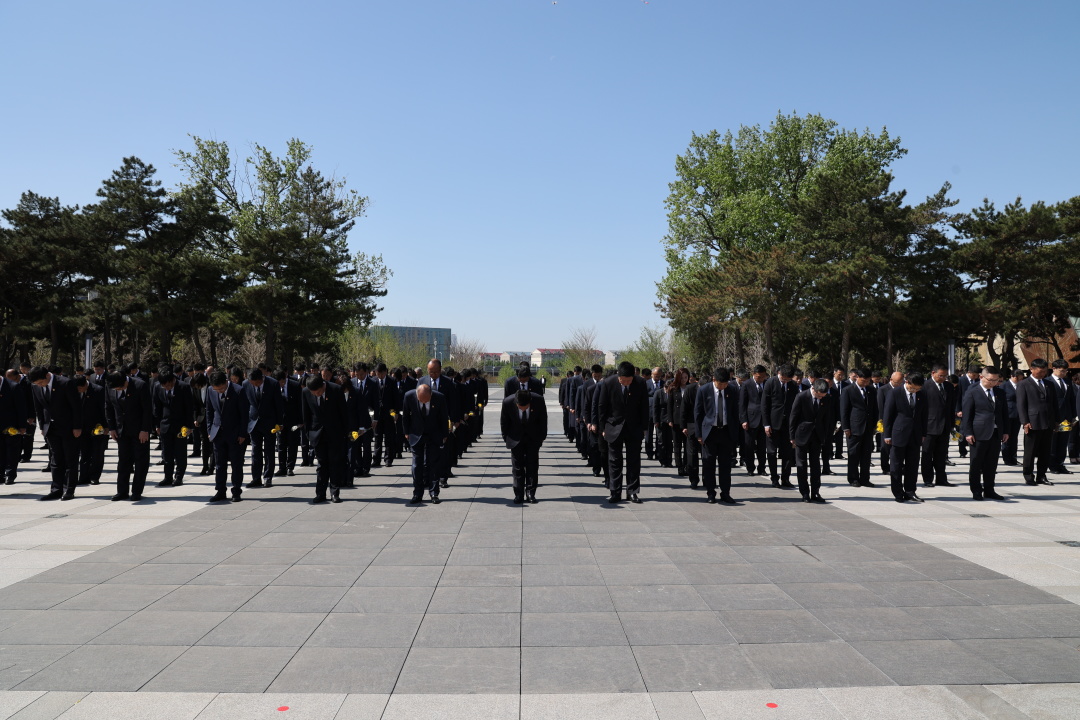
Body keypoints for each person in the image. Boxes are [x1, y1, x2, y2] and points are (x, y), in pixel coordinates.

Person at [596, 361, 650, 503]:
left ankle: (632, 491)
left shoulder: (640, 383)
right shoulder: (608, 383)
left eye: (629, 380)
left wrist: (645, 428)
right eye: (623, 380)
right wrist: (602, 428)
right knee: (614, 461)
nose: (626, 383)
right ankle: (615, 492)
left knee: (634, 461)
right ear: (618, 376)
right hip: (613, 427)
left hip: (635, 428)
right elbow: (602, 407)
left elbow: (645, 407)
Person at [104, 370, 154, 502]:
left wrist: (145, 429)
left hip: (139, 431)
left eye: (120, 388)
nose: (118, 390)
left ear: (125, 381)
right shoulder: (110, 386)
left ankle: (137, 491)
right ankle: (122, 491)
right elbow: (108, 407)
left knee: (140, 462)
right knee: (123, 462)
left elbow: (147, 409)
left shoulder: (140, 385)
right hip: (121, 430)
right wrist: (112, 428)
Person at [961, 366, 1008, 500]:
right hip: (978, 433)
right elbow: (967, 415)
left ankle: (989, 489)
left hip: (995, 432)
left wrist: (1006, 431)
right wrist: (968, 432)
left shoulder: (1000, 392)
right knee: (976, 463)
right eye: (990, 380)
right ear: (981, 377)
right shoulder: (972, 392)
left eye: (996, 380)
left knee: (991, 463)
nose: (993, 383)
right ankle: (976, 490)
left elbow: (1004, 414)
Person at [693, 367, 739, 504]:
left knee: (725, 465)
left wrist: (734, 434)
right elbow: (698, 413)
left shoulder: (732, 390)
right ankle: (711, 493)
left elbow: (734, 413)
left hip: (725, 432)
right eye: (721, 384)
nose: (724, 386)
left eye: (726, 383)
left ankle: (725, 492)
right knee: (709, 464)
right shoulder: (703, 390)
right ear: (714, 380)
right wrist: (699, 434)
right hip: (710, 432)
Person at [301, 374, 348, 503]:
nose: (316, 394)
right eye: (313, 393)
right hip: (317, 433)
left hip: (334, 433)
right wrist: (308, 434)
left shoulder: (335, 390)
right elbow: (306, 415)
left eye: (319, 392)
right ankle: (320, 493)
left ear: (323, 385)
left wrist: (345, 433)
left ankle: (335, 492)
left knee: (334, 463)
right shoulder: (305, 392)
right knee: (321, 464)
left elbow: (343, 413)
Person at [882, 372, 928, 503]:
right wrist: (887, 435)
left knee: (912, 465)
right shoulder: (895, 393)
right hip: (898, 434)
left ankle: (910, 491)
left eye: (917, 389)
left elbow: (924, 415)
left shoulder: (922, 394)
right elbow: (888, 415)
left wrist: (924, 433)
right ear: (906, 382)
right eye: (913, 388)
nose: (914, 390)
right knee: (896, 465)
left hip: (915, 435)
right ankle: (897, 492)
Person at [205, 370, 250, 502]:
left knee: (236, 464)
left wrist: (242, 434)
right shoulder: (210, 390)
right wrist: (209, 430)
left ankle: (236, 491)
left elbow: (244, 414)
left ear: (226, 382)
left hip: (235, 433)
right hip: (217, 433)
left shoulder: (238, 390)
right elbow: (209, 411)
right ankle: (220, 490)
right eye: (216, 389)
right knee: (219, 464)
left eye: (221, 389)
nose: (219, 391)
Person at [401, 382, 449, 504]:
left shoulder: (440, 397)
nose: (423, 403)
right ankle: (417, 493)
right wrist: (406, 432)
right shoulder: (409, 396)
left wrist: (444, 435)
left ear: (431, 395)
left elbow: (443, 417)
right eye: (421, 400)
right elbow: (405, 416)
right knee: (417, 465)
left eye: (426, 401)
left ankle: (434, 493)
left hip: (434, 433)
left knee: (434, 463)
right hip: (416, 433)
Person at [789, 378, 835, 503]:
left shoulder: (827, 398)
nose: (820, 398)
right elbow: (793, 417)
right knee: (802, 465)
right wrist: (792, 437)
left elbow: (827, 418)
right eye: (819, 396)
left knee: (815, 465)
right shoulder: (801, 396)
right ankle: (804, 493)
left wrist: (826, 436)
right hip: (802, 435)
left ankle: (815, 492)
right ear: (813, 389)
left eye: (823, 396)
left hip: (817, 436)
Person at [418, 359, 460, 489]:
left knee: (443, 452)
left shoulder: (448, 382)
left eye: (436, 372)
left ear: (440, 370)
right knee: (425, 453)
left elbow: (453, 402)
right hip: (425, 423)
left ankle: (443, 477)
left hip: (442, 422)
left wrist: (455, 420)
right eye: (431, 372)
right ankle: (426, 479)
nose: (433, 374)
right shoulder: (422, 382)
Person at [501, 389, 547, 503]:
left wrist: (541, 438)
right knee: (517, 468)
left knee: (532, 466)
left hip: (533, 438)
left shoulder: (539, 400)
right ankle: (518, 494)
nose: (522, 409)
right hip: (515, 438)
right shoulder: (507, 402)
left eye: (525, 407)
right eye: (519, 406)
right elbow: (504, 422)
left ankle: (531, 493)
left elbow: (543, 420)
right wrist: (506, 438)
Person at [1016, 358, 1056, 486]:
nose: (1043, 374)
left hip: (1048, 422)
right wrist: (1025, 422)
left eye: (1044, 371)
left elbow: (1054, 404)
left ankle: (1041, 475)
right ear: (1031, 369)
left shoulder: (1049, 384)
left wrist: (1057, 420)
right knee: (1030, 451)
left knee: (1045, 451)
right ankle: (1028, 475)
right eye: (1040, 372)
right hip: (1032, 422)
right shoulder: (1024, 384)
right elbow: (1021, 405)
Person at [153, 370, 195, 488]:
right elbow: (157, 407)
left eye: (168, 385)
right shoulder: (158, 388)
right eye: (164, 386)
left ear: (173, 380)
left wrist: (189, 426)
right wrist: (157, 425)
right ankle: (168, 477)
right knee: (167, 453)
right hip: (165, 425)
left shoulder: (184, 387)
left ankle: (179, 477)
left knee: (180, 452)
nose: (166, 388)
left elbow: (189, 408)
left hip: (181, 425)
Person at [762, 364, 800, 489]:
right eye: (783, 379)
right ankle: (774, 478)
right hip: (773, 423)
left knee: (787, 453)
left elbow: (796, 406)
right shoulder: (770, 383)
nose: (785, 381)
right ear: (779, 374)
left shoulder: (793, 385)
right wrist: (766, 424)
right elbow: (765, 405)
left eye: (788, 380)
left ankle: (785, 478)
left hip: (788, 425)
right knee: (772, 452)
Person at [921, 364, 958, 488]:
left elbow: (951, 406)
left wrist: (952, 424)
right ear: (933, 373)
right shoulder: (925, 386)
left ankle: (941, 478)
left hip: (945, 426)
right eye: (940, 375)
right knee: (927, 454)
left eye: (945, 376)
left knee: (941, 454)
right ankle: (927, 479)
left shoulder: (948, 386)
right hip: (929, 426)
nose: (943, 378)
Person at [840, 368, 878, 488]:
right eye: (863, 380)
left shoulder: (872, 390)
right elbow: (844, 410)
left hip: (868, 427)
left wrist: (874, 425)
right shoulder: (848, 390)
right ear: (857, 377)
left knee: (866, 455)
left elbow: (875, 409)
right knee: (853, 454)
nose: (865, 383)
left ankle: (865, 478)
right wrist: (846, 427)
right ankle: (853, 478)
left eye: (867, 381)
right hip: (854, 427)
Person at [738, 365, 768, 477]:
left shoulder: (767, 383)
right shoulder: (746, 384)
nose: (761, 379)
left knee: (762, 446)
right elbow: (742, 404)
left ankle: (762, 468)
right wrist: (743, 420)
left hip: (764, 420)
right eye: (758, 377)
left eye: (763, 377)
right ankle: (750, 468)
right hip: (750, 419)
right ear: (753, 374)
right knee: (749, 446)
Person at [0, 370, 28, 485]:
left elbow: (21, 408)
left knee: (12, 450)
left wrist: (22, 426)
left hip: (12, 425)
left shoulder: (13, 387)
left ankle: (10, 474)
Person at [1047, 359, 1074, 475]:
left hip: (1066, 418)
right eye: (1062, 371)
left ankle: (1060, 464)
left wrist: (1074, 416)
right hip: (1053, 418)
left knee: (1063, 442)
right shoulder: (1047, 381)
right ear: (1054, 369)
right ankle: (1052, 465)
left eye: (1065, 371)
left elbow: (1071, 400)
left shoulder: (1068, 382)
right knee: (1053, 442)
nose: (1064, 373)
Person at [275, 368, 303, 477]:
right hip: (280, 421)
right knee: (281, 445)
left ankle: (290, 467)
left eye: (282, 382)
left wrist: (301, 421)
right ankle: (282, 467)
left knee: (293, 444)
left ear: (285, 379)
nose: (281, 385)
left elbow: (300, 404)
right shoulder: (274, 387)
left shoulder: (295, 386)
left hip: (294, 420)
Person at [956, 364, 981, 458]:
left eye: (977, 375)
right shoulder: (961, 381)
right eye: (974, 375)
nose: (975, 377)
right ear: (969, 373)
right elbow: (958, 396)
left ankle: (973, 449)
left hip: (975, 410)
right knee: (961, 431)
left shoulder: (979, 381)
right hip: (963, 410)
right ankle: (962, 451)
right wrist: (958, 410)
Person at [1001, 369, 1023, 466]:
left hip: (1018, 415)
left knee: (1014, 438)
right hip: (1008, 415)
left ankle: (1013, 457)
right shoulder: (1004, 386)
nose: (1020, 380)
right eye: (1019, 379)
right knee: (1006, 438)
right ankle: (1007, 458)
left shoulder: (1021, 386)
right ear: (1013, 376)